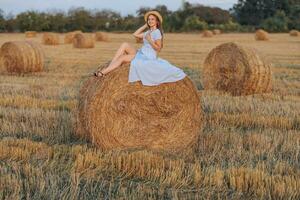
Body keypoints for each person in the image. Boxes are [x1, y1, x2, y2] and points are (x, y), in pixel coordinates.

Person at [94, 10, 186, 86]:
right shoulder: (148, 31)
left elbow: (158, 48)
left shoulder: (157, 32)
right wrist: (146, 25)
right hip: (141, 53)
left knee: (122, 58)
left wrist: (149, 40)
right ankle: (111, 65)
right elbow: (135, 34)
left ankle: (103, 73)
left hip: (147, 57)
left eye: (152, 19)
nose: (150, 21)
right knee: (124, 44)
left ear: (157, 21)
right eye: (149, 19)